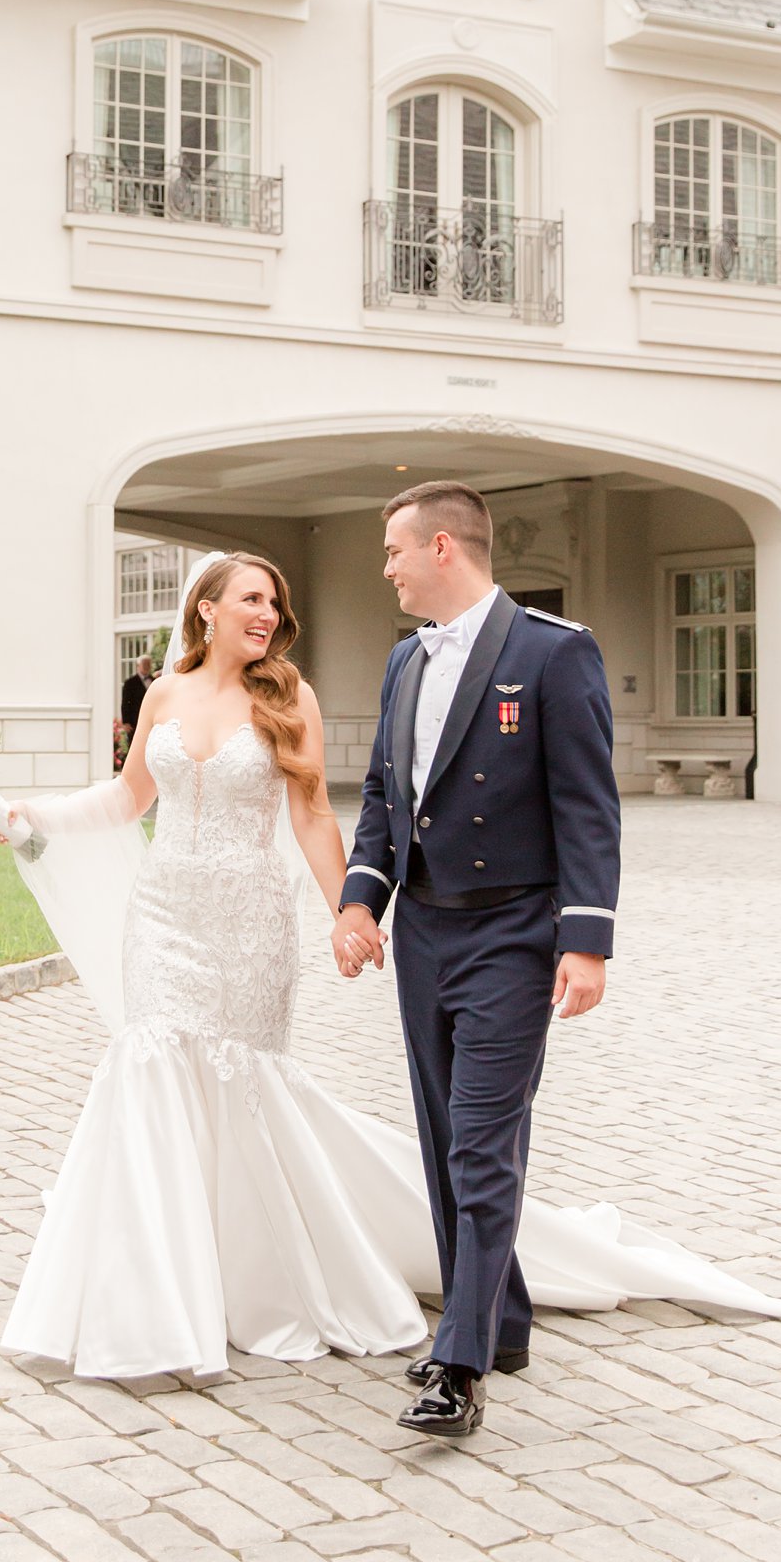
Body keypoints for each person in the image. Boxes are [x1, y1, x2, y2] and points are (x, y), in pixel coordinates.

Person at [0, 550, 781, 1396]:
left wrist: (350, 909)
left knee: (239, 1091)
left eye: (276, 601)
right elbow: (126, 800)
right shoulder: (163, 694)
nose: (267, 613)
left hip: (247, 926)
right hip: (160, 920)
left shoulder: (286, 696)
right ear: (206, 609)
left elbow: (313, 814)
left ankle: (257, 1280)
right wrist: (29, 814)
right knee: (151, 1071)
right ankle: (157, 1297)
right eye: (251, 599)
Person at [337, 481, 616, 1435]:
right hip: (423, 931)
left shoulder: (552, 651)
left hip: (512, 931)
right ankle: (500, 1318)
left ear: (443, 546)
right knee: (440, 1132)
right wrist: (359, 899)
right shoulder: (403, 662)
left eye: (394, 551)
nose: (387, 568)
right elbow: (382, 790)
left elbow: (589, 804)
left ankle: (458, 1366)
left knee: (482, 1140)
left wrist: (585, 940)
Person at [119, 652, 152, 736]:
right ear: (138, 666)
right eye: (144, 664)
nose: (146, 666)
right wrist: (126, 722)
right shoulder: (129, 683)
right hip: (135, 722)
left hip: (152, 722)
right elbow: (125, 703)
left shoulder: (154, 681)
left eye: (148, 664)